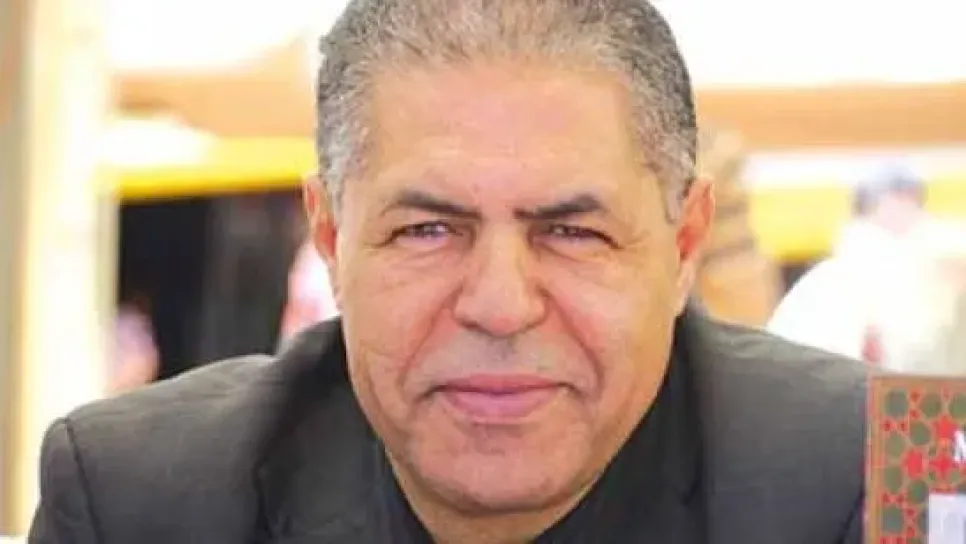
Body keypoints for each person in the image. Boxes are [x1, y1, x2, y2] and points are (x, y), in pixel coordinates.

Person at [29, 1, 865, 542]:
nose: (500, 306)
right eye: (427, 230)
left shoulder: (889, 463)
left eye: (571, 232)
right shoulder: (135, 501)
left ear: (684, 245)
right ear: (331, 239)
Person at [768, 167, 966, 373]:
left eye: (909, 205)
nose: (901, 215)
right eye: (891, 205)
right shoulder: (832, 280)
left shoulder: (938, 256)